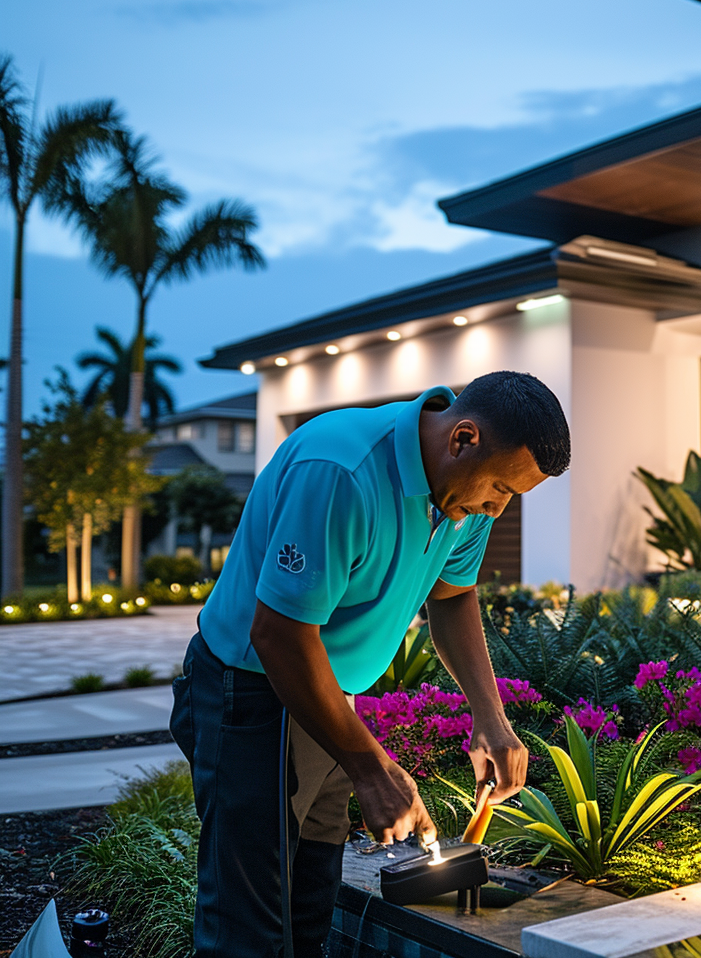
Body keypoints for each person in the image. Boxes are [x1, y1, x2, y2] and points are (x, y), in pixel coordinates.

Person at [169, 370, 571, 958]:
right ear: (462, 439)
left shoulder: (464, 500)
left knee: (309, 906)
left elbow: (453, 593)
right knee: (248, 927)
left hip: (331, 700)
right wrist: (371, 769)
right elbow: (279, 634)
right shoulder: (341, 470)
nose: (498, 507)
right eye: (501, 489)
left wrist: (491, 718)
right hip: (254, 694)